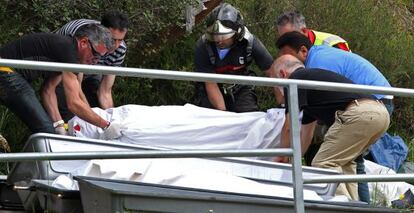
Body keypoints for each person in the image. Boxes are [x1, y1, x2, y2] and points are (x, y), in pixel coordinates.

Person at [276, 31, 394, 203]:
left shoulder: (300, 76)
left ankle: (340, 205)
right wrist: (294, 158)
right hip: (378, 110)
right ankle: (356, 205)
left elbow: (289, 126)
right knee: (348, 164)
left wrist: (281, 155)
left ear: (283, 74)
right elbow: (306, 131)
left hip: (365, 107)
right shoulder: (313, 81)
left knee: (322, 164)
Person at [0, 24, 122, 140]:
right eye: (95, 55)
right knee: (46, 131)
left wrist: (59, 125)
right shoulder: (68, 51)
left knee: (50, 131)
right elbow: (74, 103)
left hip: (8, 73)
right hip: (4, 70)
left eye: (100, 58)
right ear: (84, 42)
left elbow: (48, 90)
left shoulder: (63, 51)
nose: (96, 61)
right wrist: (106, 125)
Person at [193, 3, 273, 112]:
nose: (219, 40)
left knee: (247, 119)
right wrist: (223, 115)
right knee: (212, 120)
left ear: (237, 33)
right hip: (213, 87)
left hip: (241, 87)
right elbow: (210, 84)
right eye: (214, 35)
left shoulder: (250, 42)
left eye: (224, 36)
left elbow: (272, 71)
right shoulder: (203, 46)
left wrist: (285, 103)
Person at [55, 11, 129, 121]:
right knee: (70, 109)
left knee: (96, 103)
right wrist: (91, 118)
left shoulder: (120, 49)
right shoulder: (84, 38)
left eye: (120, 40)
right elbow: (77, 87)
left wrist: (113, 121)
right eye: (113, 40)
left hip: (90, 68)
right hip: (62, 63)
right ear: (103, 32)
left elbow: (105, 92)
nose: (116, 45)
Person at [276, 10, 350, 51]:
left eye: (289, 37)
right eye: (281, 38)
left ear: (304, 31)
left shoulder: (333, 43)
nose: (284, 42)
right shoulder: (287, 49)